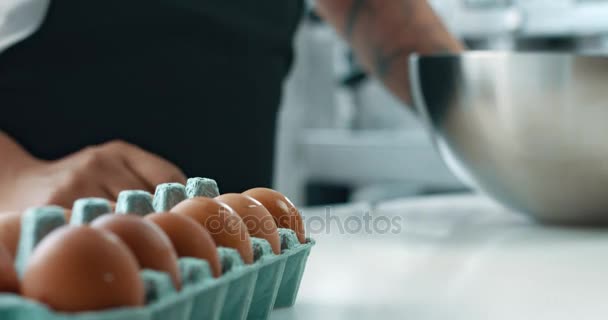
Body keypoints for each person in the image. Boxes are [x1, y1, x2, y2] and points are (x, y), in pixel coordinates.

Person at [0, 0, 463, 211]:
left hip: (232, 281)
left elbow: (390, 23)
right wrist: (19, 177)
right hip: (43, 266)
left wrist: (513, 142)